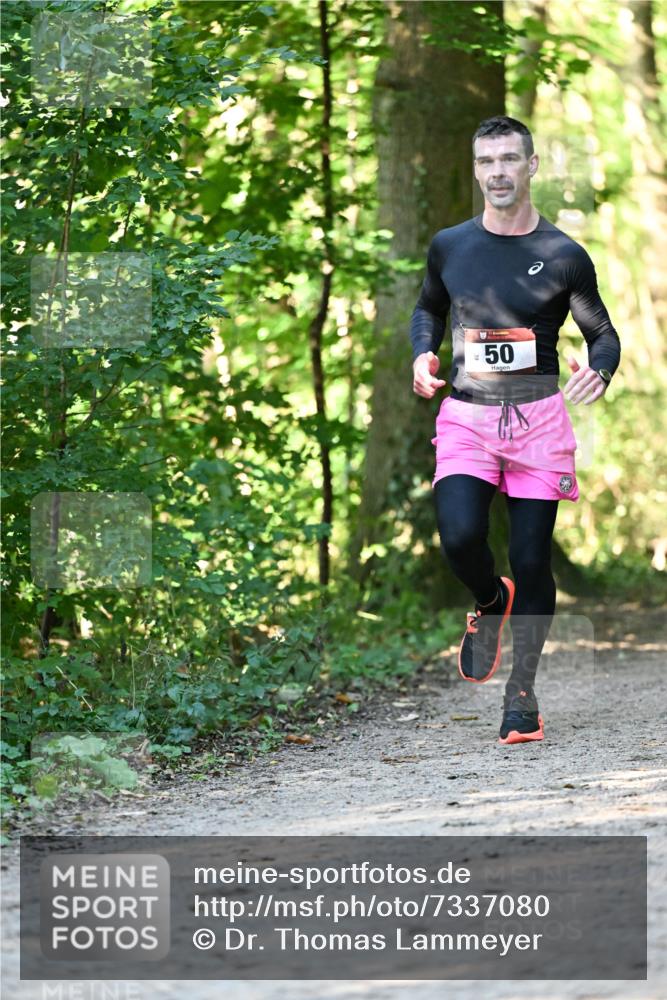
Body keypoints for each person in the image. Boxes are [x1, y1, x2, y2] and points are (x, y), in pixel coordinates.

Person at [410, 115, 621, 745]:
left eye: (509, 160)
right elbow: (428, 307)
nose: (497, 172)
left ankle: (522, 692)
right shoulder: (451, 245)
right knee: (460, 537)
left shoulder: (562, 255)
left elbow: (602, 334)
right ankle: (488, 600)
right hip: (468, 419)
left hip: (538, 423)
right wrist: (423, 354)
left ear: (531, 166)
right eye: (486, 162)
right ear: (476, 170)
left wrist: (601, 372)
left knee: (532, 558)